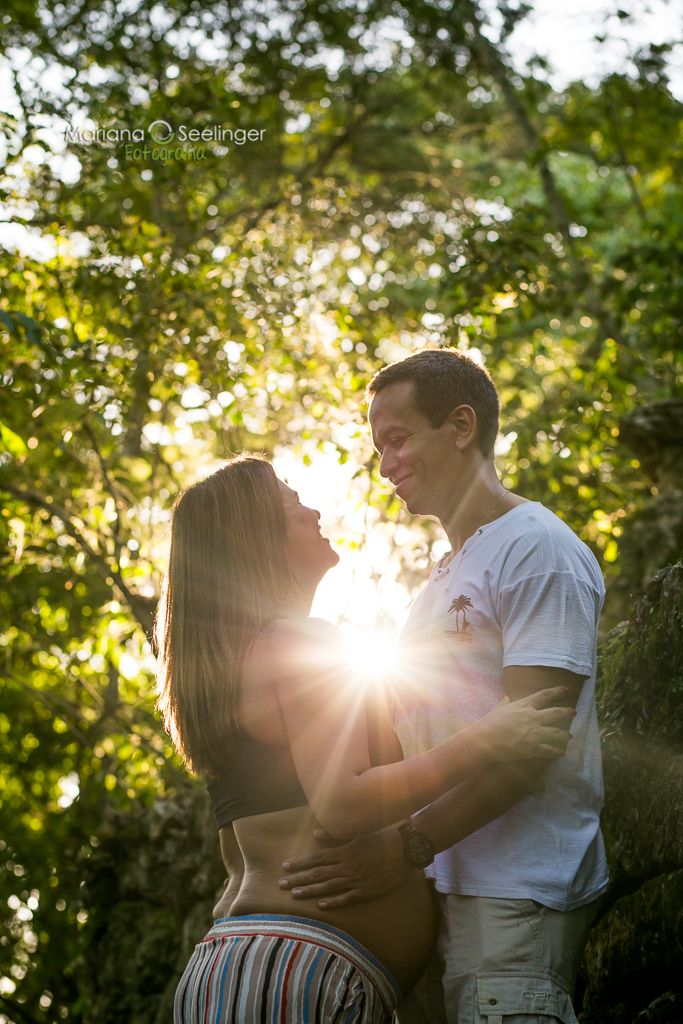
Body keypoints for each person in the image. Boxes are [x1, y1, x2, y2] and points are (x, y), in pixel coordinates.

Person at [155, 453, 575, 1024]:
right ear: (259, 535)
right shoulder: (300, 640)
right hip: (298, 977)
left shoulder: (228, 670)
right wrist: (490, 737)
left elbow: (252, 845)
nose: (314, 509)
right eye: (292, 502)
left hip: (234, 970)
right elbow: (344, 805)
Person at [278, 348, 609, 1024]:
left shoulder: (535, 548)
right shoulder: (445, 573)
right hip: (450, 893)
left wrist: (404, 846)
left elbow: (532, 739)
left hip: (518, 895)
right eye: (378, 447)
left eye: (397, 439)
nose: (384, 463)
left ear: (460, 426)